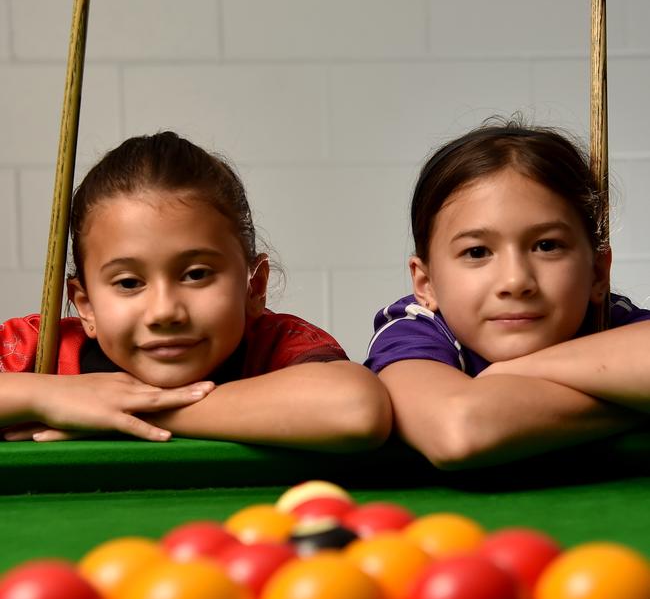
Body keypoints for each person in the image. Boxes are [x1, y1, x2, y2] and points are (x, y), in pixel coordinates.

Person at [1, 131, 391, 449]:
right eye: (129, 283)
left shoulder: (276, 347)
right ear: (85, 305)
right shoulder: (41, 350)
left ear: (254, 287)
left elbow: (357, 407)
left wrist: (131, 411)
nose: (165, 311)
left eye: (196, 274)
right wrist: (45, 395)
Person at [365, 119, 650, 469]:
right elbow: (460, 430)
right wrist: (633, 398)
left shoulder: (607, 318)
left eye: (547, 246)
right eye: (477, 252)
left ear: (597, 272)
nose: (516, 281)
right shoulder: (414, 328)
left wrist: (511, 372)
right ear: (426, 284)